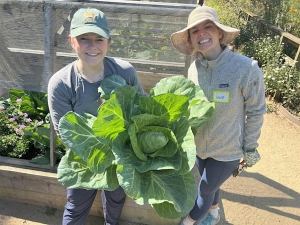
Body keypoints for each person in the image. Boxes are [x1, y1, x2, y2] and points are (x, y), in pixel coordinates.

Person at [47, 8, 145, 225]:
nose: (92, 46)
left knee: (116, 198)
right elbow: (67, 135)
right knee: (76, 206)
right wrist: (101, 156)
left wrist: (124, 150)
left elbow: (141, 110)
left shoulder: (124, 72)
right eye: (84, 39)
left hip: (122, 156)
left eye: (99, 39)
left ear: (108, 42)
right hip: (84, 159)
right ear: (72, 41)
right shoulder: (62, 83)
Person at [171, 6, 266, 225]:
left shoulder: (246, 68)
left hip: (227, 150)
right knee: (211, 186)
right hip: (199, 147)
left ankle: (188, 222)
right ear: (191, 39)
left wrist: (249, 147)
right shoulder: (194, 68)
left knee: (204, 190)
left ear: (220, 33)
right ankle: (213, 215)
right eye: (194, 31)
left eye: (207, 26)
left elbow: (256, 111)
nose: (201, 33)